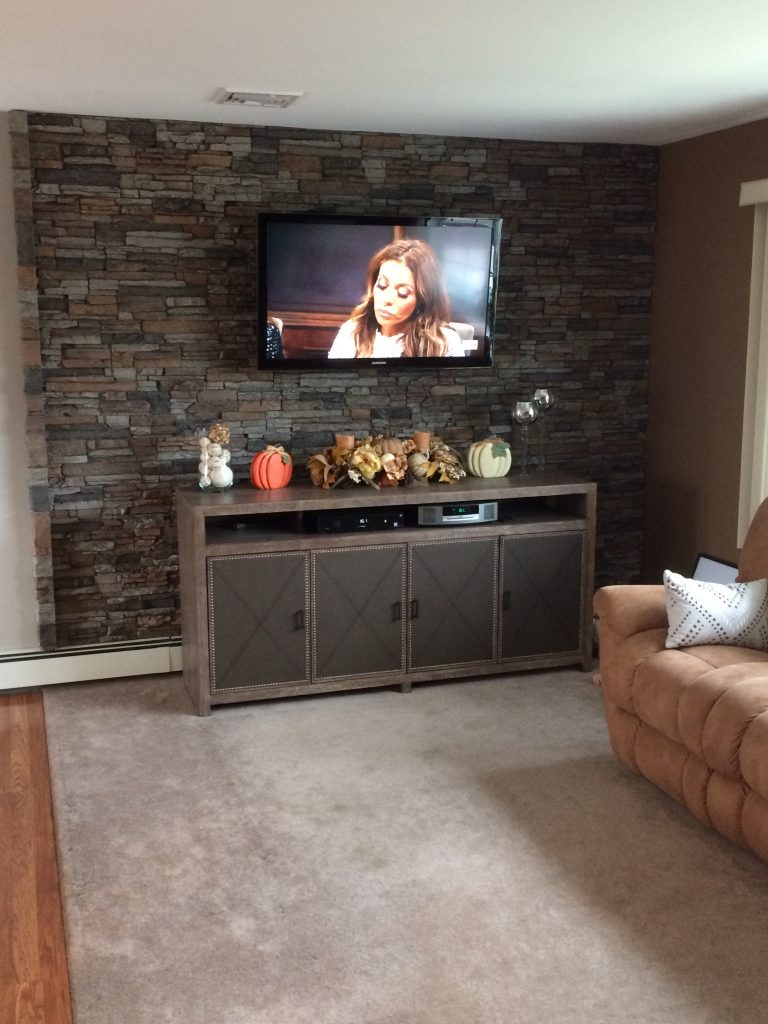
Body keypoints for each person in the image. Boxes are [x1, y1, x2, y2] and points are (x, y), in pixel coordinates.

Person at [327, 239, 465, 358]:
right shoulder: (352, 331)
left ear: (422, 300)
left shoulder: (445, 343)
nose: (387, 299)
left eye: (402, 293)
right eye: (382, 285)